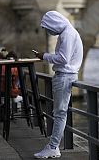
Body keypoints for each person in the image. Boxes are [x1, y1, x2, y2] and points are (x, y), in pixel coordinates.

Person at [33, 11, 83, 159]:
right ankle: (53, 146)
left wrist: (44, 56)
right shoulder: (68, 32)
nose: (48, 31)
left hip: (65, 76)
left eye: (48, 27)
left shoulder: (67, 34)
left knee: (60, 113)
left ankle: (53, 147)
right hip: (65, 76)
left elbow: (63, 59)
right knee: (60, 113)